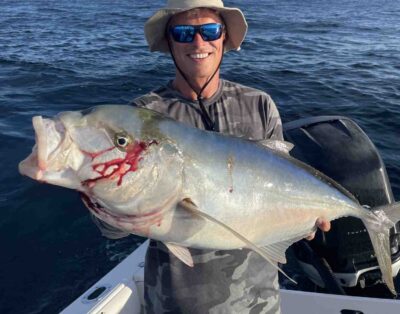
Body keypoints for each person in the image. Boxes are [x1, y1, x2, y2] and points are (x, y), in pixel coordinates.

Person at [92, 0, 331, 313]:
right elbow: (115, 230)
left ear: (223, 38)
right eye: (184, 32)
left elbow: (282, 183)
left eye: (209, 30)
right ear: (169, 41)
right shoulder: (145, 115)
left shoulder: (259, 104)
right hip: (173, 302)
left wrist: (304, 219)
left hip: (258, 302)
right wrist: (98, 190)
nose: (198, 42)